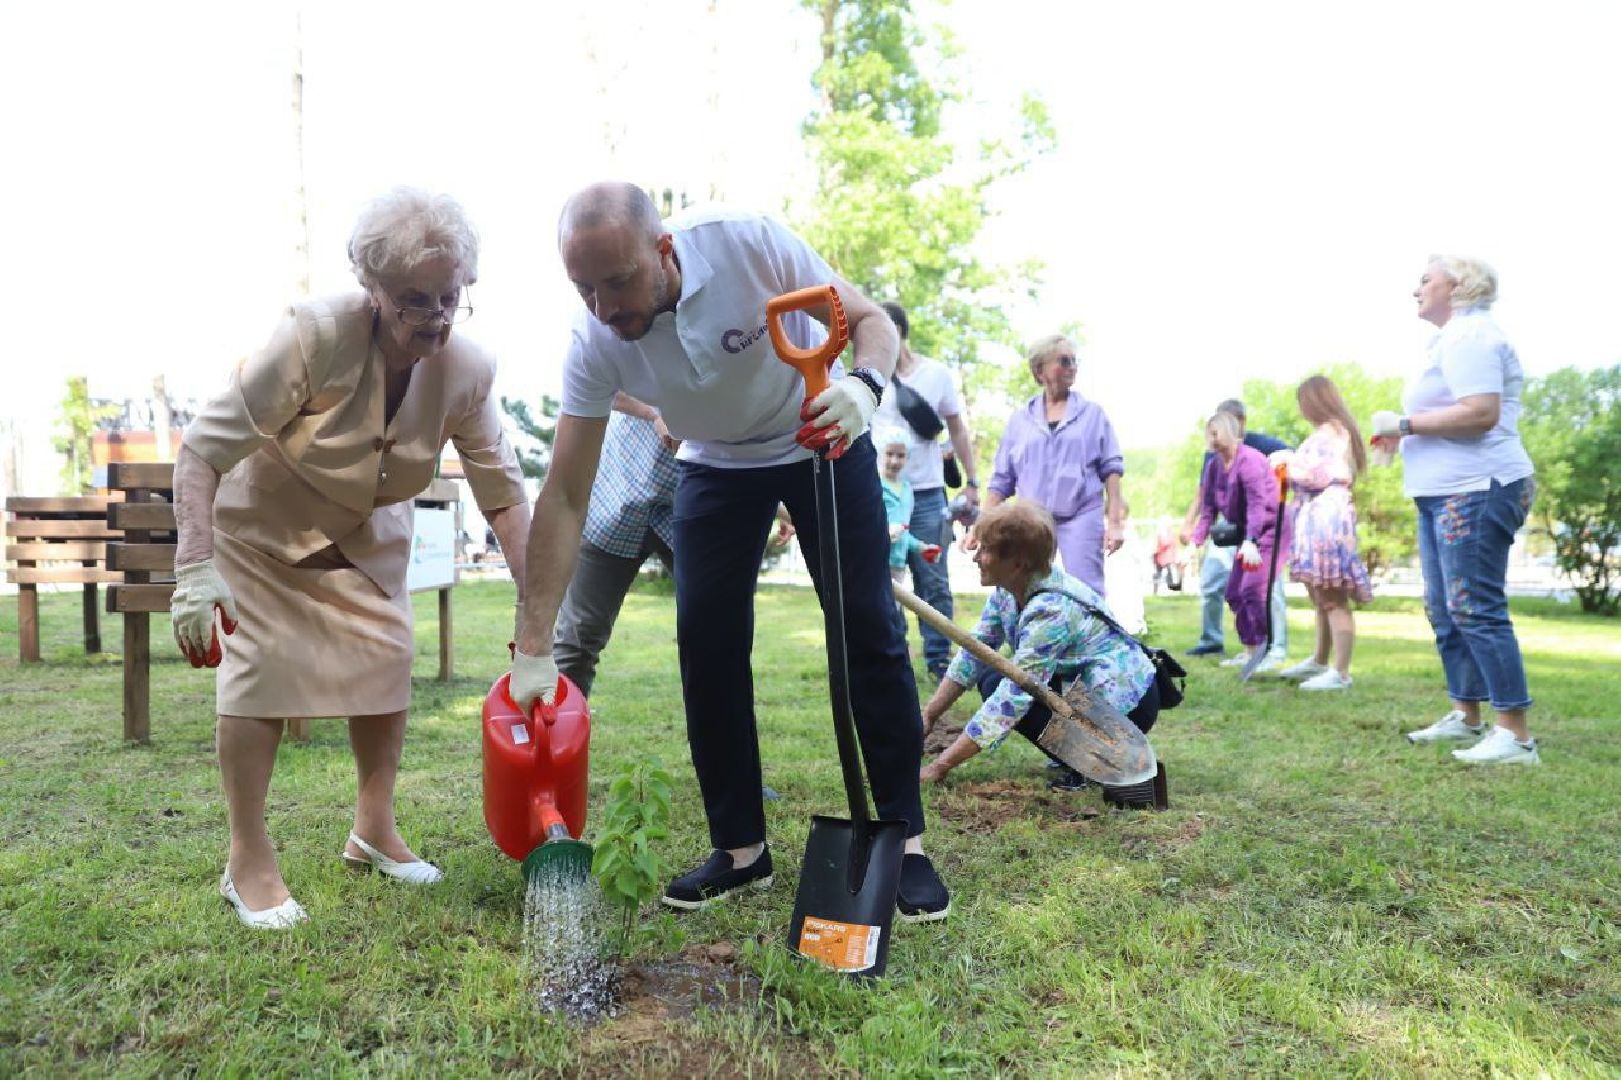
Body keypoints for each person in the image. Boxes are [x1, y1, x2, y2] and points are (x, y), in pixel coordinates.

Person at [510, 183, 949, 920]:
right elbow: (561, 496)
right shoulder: (594, 343)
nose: (603, 307)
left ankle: (903, 839)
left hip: (821, 433)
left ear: (664, 251)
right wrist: (532, 645)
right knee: (706, 647)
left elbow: (868, 320)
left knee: (867, 633)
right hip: (713, 462)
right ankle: (740, 848)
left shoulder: (746, 242)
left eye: (617, 281)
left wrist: (865, 389)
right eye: (583, 288)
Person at [171, 188, 530, 928]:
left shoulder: (466, 368)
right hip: (265, 527)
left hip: (367, 534)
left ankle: (373, 830)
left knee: (387, 656)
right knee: (260, 672)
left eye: (448, 299)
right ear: (371, 288)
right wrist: (194, 568)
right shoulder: (314, 335)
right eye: (412, 300)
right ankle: (247, 859)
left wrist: (537, 614)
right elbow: (201, 451)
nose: (433, 318)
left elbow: (503, 497)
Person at [1372, 256, 1539, 764]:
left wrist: (1405, 425)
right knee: (1444, 610)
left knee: (1475, 608)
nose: (1415, 289)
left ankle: (1515, 734)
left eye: (1425, 280)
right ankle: (1467, 716)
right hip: (1444, 491)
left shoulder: (1472, 337)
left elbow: (1481, 413)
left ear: (1459, 286)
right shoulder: (1450, 340)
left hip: (1478, 488)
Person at [918, 502, 1159, 789]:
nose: (975, 558)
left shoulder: (1052, 610)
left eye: (984, 551)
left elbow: (1014, 697)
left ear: (1017, 563)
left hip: (1126, 708)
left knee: (1009, 691)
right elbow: (976, 651)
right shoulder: (1008, 589)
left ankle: (1093, 764)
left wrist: (940, 766)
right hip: (1080, 691)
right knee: (992, 678)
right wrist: (929, 714)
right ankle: (1077, 756)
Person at [871, 301, 980, 680]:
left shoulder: (935, 374)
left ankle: (938, 661)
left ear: (897, 331)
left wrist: (973, 481)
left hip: (929, 492)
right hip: (882, 495)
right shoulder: (867, 377)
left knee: (932, 578)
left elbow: (957, 429)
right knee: (883, 579)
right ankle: (893, 658)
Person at [974, 335, 1127, 595]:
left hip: (1081, 514)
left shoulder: (1092, 415)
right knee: (1022, 588)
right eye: (1063, 361)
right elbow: (1002, 479)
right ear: (1040, 371)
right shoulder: (1020, 421)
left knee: (1085, 591)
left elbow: (1111, 470)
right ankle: (1034, 634)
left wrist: (1114, 523)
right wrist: (981, 527)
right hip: (1031, 522)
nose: (1071, 367)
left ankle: (1089, 636)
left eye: (1074, 362)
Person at [552, 398, 678, 698]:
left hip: (687, 500)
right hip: (619, 493)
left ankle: (720, 744)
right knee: (576, 640)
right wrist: (656, 411)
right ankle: (557, 740)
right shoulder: (623, 350)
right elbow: (600, 380)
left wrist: (776, 505)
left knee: (715, 634)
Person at [1271, 376, 1373, 690]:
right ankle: (1320, 660)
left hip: (1326, 517)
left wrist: (1288, 461)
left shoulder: (1333, 434)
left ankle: (1340, 672)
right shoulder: (1331, 433)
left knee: (1332, 597)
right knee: (1321, 595)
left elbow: (1318, 475)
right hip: (1316, 515)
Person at [1180, 399, 1290, 664]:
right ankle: (1251, 649)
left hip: (1268, 532)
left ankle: (1270, 648)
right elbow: (1208, 510)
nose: (1210, 439)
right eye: (1209, 434)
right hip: (1247, 535)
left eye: (1214, 433)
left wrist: (1251, 540)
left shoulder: (1250, 460)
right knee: (1233, 593)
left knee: (1254, 590)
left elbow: (1256, 505)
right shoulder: (1214, 466)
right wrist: (1194, 544)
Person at [877, 428, 943, 586]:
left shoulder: (907, 490)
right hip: (877, 561)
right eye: (889, 454)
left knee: (895, 608)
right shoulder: (874, 485)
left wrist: (922, 548)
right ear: (880, 453)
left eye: (900, 456)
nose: (894, 461)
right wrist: (885, 531)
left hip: (898, 564)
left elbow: (904, 532)